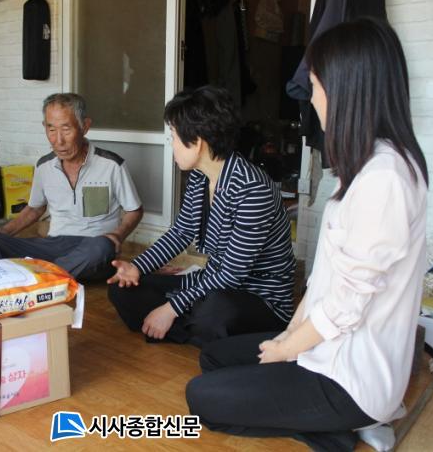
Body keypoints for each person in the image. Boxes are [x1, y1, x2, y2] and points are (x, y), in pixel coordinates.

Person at [185, 18, 430, 452]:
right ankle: (323, 416)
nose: (310, 98)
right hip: (323, 347)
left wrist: (288, 348)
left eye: (315, 85)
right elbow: (323, 283)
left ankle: (340, 429)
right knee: (214, 358)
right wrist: (289, 334)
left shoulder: (385, 177)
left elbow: (346, 303)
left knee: (201, 398)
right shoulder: (364, 165)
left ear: (347, 89)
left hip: (350, 377)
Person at [107, 85, 295, 346]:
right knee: (123, 289)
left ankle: (180, 321)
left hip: (256, 297)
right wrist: (137, 267)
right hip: (211, 283)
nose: (171, 145)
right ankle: (192, 327)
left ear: (197, 142)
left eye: (173, 136)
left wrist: (171, 308)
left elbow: (232, 275)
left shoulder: (253, 189)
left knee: (214, 313)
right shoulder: (199, 177)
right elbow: (180, 233)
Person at [0, 93, 143, 282]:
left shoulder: (111, 165)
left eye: (66, 129)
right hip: (52, 246)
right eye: (51, 129)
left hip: (92, 248)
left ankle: (38, 280)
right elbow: (35, 208)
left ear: (85, 126)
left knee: (102, 247)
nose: (58, 141)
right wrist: (5, 231)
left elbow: (134, 210)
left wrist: (117, 235)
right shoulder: (44, 166)